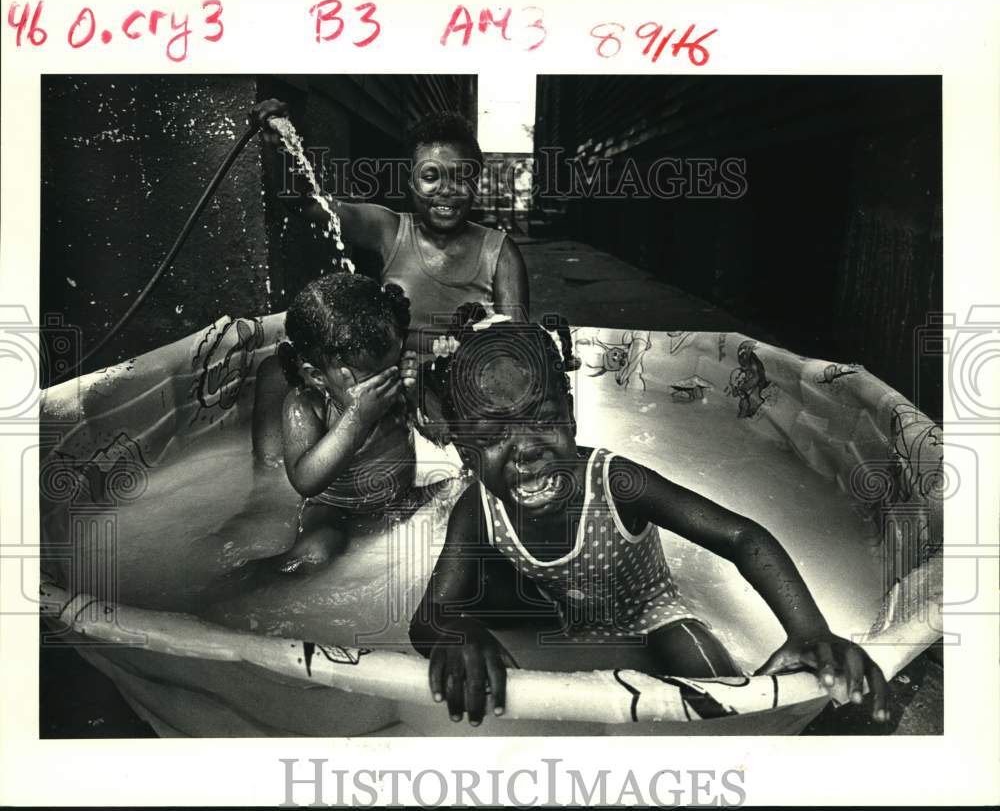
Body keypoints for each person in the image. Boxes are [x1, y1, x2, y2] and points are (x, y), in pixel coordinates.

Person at [408, 306, 889, 726]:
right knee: (476, 597)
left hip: (646, 612)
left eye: (542, 419)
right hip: (556, 608)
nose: (526, 449)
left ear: (571, 414)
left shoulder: (615, 483)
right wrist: (457, 636)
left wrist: (808, 630)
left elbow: (741, 537)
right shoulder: (478, 506)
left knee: (711, 693)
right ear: (465, 451)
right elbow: (429, 615)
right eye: (492, 437)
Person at [250, 99, 529, 466]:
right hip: (390, 376)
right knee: (273, 372)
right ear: (411, 180)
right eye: (431, 177)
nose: (446, 190)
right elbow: (306, 204)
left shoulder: (499, 252)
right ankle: (269, 486)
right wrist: (281, 148)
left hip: (456, 382)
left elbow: (518, 348)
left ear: (476, 180)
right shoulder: (389, 229)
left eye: (460, 176)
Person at [273, 272, 419, 573]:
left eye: (393, 367)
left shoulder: (398, 380)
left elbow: (442, 435)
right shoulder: (307, 403)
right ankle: (236, 586)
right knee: (316, 552)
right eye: (372, 382)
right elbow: (305, 480)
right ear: (317, 376)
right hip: (335, 509)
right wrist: (357, 418)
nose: (387, 384)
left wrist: (418, 396)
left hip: (400, 498)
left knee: (466, 491)